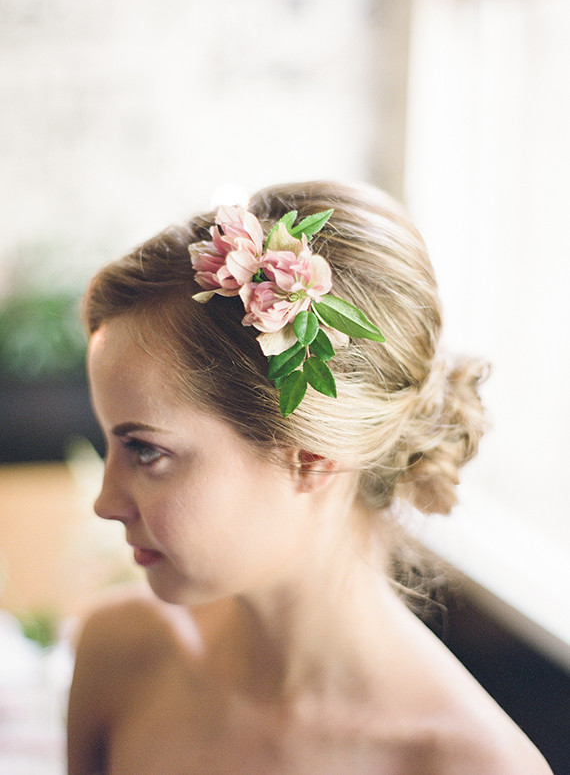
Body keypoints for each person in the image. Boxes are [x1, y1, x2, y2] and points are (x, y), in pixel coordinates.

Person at [67, 180, 552, 774]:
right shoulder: (121, 657)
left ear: (311, 456)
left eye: (145, 451)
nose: (105, 502)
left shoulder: (467, 765)